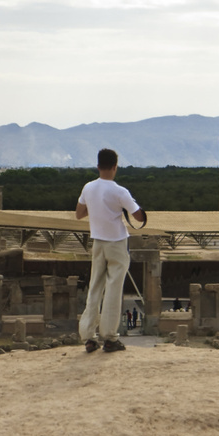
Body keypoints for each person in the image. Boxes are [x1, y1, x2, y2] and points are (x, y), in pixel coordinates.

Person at [76, 148, 145, 353]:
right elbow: (139, 217)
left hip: (97, 242)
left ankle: (88, 336)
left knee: (94, 287)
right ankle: (110, 337)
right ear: (115, 167)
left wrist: (96, 207)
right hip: (116, 242)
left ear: (98, 166)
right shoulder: (119, 191)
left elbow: (79, 214)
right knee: (114, 290)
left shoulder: (88, 187)